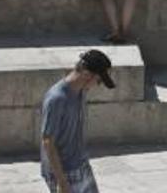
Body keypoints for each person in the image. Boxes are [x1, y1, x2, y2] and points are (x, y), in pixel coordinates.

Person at [40, 50, 116, 193]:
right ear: (87, 74)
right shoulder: (56, 98)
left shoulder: (80, 91)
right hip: (64, 172)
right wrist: (61, 182)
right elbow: (47, 142)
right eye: (98, 80)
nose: (98, 85)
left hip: (81, 164)